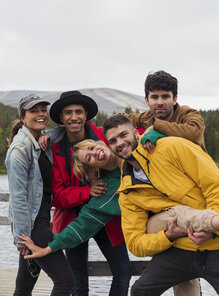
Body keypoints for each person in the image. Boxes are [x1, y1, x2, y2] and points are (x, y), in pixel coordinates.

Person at [19, 137, 219, 261]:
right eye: (89, 158)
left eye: (91, 147)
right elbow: (80, 226)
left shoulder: (133, 150)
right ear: (92, 170)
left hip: (198, 206)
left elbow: (143, 126)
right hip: (168, 223)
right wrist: (48, 248)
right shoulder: (104, 193)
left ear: (99, 142)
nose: (94, 153)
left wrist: (153, 133)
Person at [101, 114, 219, 296]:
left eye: (123, 135)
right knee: (140, 291)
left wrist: (211, 229)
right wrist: (168, 236)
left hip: (216, 244)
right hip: (180, 248)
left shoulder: (172, 147)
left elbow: (215, 184)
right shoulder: (127, 191)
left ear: (135, 133)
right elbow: (135, 243)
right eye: (113, 140)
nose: (120, 143)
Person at [125, 70, 206, 295]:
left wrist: (156, 130)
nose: (159, 102)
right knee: (176, 261)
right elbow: (118, 124)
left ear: (175, 98)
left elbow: (193, 131)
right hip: (166, 201)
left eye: (165, 96)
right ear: (147, 99)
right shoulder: (146, 117)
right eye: (154, 97)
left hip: (196, 194)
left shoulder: (190, 115)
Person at [45, 90, 131, 296]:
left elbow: (131, 136)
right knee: (77, 281)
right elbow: (56, 196)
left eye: (78, 111)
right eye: (68, 113)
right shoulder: (54, 148)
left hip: (107, 217)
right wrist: (87, 191)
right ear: (62, 118)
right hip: (73, 219)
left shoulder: (103, 135)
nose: (74, 117)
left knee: (123, 272)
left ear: (86, 115)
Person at [5, 94, 74, 296]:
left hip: (40, 220)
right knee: (65, 281)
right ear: (23, 116)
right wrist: (22, 238)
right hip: (33, 226)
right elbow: (17, 198)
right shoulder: (20, 148)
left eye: (43, 110)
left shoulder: (39, 140)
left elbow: (63, 130)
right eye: (34, 111)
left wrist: (48, 135)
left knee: (24, 286)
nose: (41, 114)